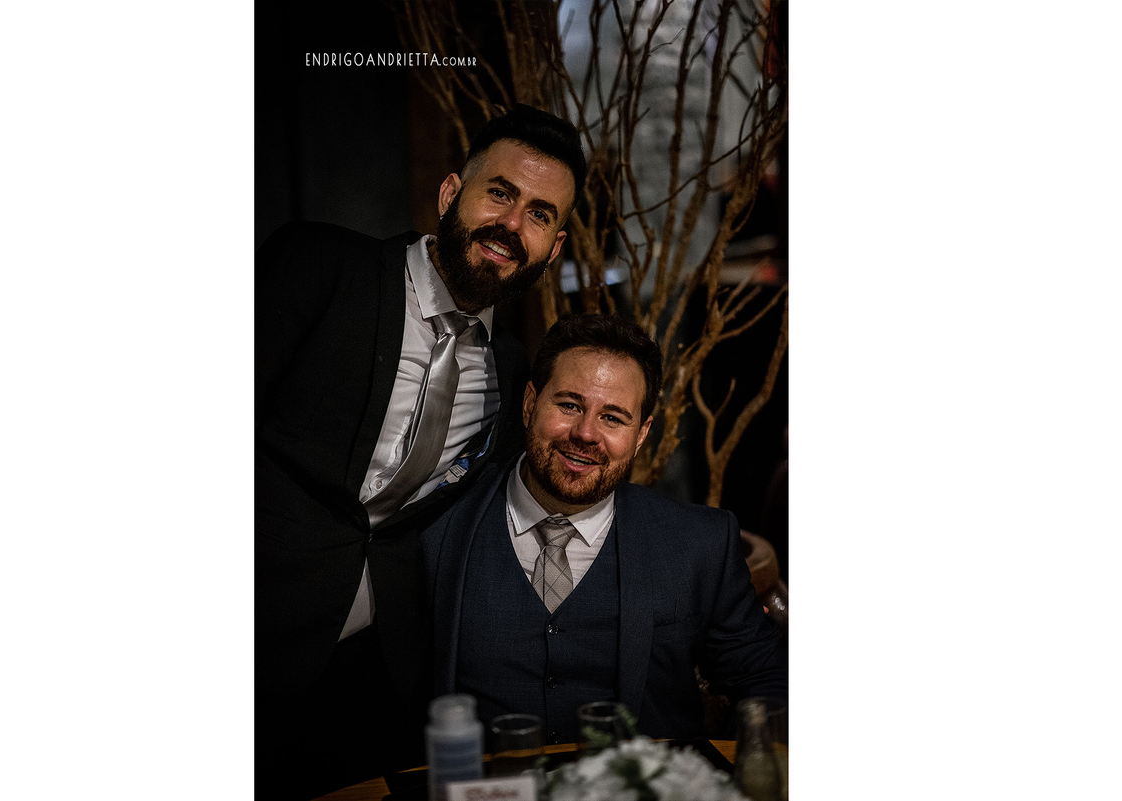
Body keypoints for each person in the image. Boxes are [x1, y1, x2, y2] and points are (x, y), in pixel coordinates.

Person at [255, 105, 586, 798]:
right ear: (449, 193)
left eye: (539, 214)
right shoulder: (319, 265)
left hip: (369, 681)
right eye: (499, 192)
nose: (511, 223)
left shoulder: (511, 374)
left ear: (554, 248)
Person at [421, 314, 788, 743]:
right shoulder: (438, 527)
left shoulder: (700, 544)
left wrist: (730, 765)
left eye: (613, 418)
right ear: (530, 403)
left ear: (641, 434)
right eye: (569, 405)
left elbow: (769, 681)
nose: (586, 433)